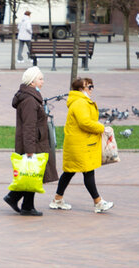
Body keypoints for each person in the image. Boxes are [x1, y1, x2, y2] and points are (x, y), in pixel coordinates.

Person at [51, 77, 113, 213]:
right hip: (81, 144)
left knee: (69, 172)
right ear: (81, 89)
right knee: (88, 171)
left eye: (92, 86)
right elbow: (84, 122)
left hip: (79, 143)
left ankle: (57, 199)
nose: (91, 89)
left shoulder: (81, 101)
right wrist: (102, 127)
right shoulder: (80, 103)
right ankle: (98, 202)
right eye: (89, 87)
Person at [4, 66, 58, 216]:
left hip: (36, 141)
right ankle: (15, 198)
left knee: (33, 173)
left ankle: (24, 203)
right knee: (33, 173)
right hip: (33, 142)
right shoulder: (29, 100)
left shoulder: (31, 96)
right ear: (32, 81)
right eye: (40, 79)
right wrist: (29, 150)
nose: (43, 82)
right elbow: (28, 126)